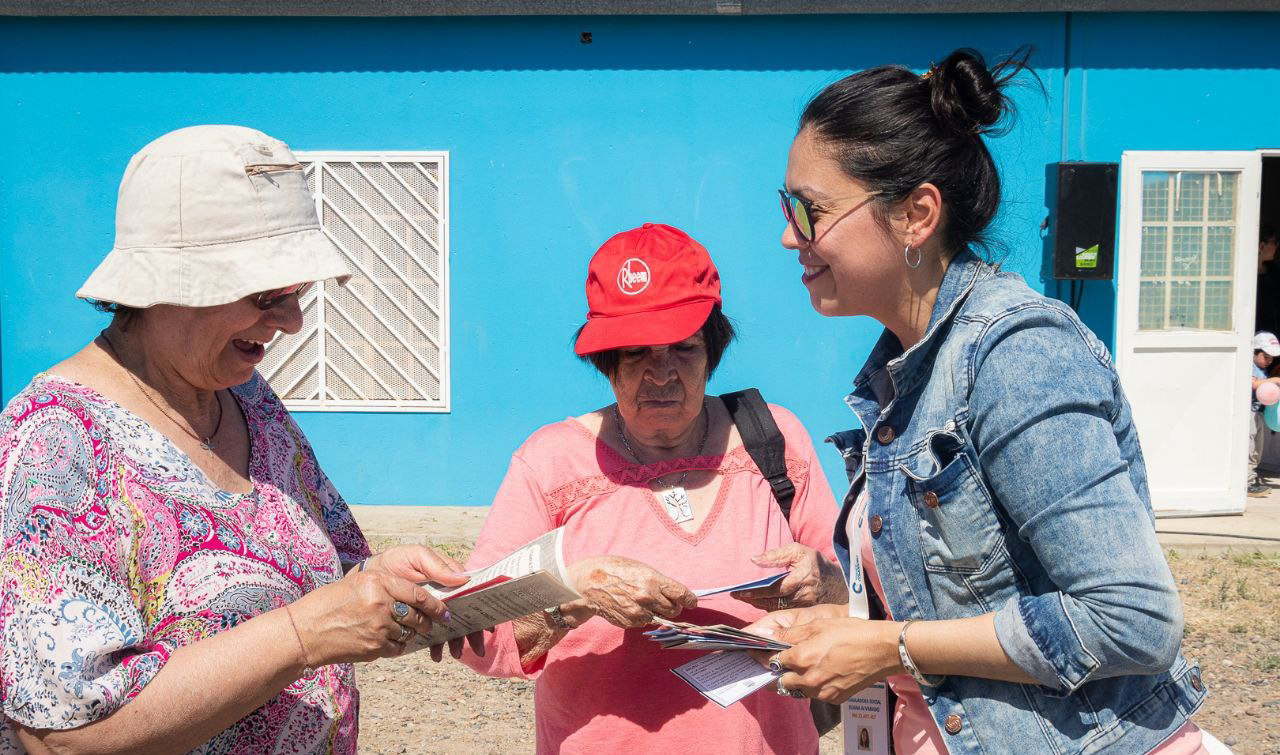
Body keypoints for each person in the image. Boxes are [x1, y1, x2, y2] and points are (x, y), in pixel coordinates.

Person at [746, 48, 1225, 753]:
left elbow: (1131, 618)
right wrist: (834, 598)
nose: (789, 234)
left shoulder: (1018, 353)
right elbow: (965, 595)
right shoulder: (902, 374)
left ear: (916, 214)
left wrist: (887, 645)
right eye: (787, 205)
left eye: (810, 210)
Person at [0, 125, 478, 755]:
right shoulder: (55, 439)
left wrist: (379, 579)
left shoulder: (247, 399)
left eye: (298, 294)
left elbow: (323, 574)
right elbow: (66, 735)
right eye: (266, 296)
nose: (292, 321)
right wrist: (304, 635)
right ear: (167, 284)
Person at [459, 223, 844, 754]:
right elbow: (474, 634)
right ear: (605, 361)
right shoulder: (549, 462)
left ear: (713, 349)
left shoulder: (774, 440)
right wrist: (575, 594)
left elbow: (863, 599)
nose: (660, 374)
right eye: (636, 352)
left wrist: (823, 584)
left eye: (683, 350)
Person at [1248, 331, 1280, 496]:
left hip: (1259, 414)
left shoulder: (1263, 370)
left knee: (1257, 450)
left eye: (1272, 358)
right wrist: (1275, 381)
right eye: (1266, 356)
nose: (1269, 361)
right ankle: (1247, 482)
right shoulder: (1250, 366)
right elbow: (1253, 384)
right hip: (1249, 414)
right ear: (1254, 352)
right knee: (1249, 448)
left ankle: (1252, 479)